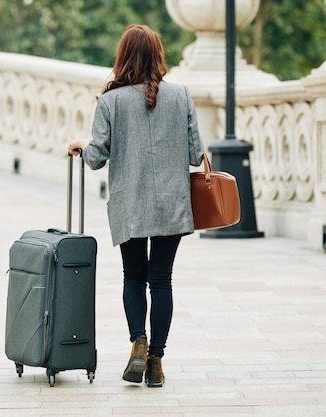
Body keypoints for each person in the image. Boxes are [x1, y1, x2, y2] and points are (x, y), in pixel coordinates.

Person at [68, 24, 204, 388]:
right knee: (161, 281)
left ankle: (138, 343)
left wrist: (83, 142)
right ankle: (157, 361)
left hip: (130, 204)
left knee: (133, 277)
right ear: (158, 55)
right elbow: (195, 155)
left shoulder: (110, 101)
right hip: (173, 205)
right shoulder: (181, 96)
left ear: (123, 56)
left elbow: (95, 159)